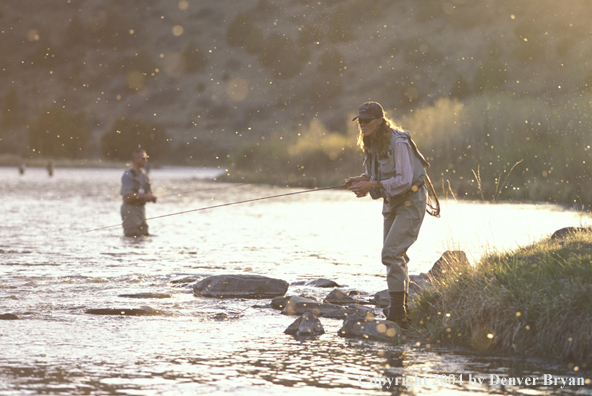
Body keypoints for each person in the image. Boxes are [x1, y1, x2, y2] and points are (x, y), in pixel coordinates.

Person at [345, 101, 439, 327]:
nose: (363, 125)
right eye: (360, 121)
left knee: (391, 252)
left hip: (411, 200)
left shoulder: (399, 143)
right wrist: (362, 180)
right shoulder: (371, 142)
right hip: (391, 202)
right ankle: (400, 311)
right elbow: (375, 174)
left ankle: (398, 314)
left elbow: (405, 179)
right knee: (395, 256)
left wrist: (373, 184)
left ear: (380, 121)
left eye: (367, 121)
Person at [120, 149, 157, 237]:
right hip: (130, 209)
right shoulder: (128, 174)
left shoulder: (144, 175)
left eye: (146, 158)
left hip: (141, 210)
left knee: (144, 234)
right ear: (136, 159)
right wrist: (146, 196)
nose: (146, 161)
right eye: (143, 158)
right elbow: (128, 195)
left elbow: (148, 193)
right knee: (131, 235)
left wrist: (152, 198)